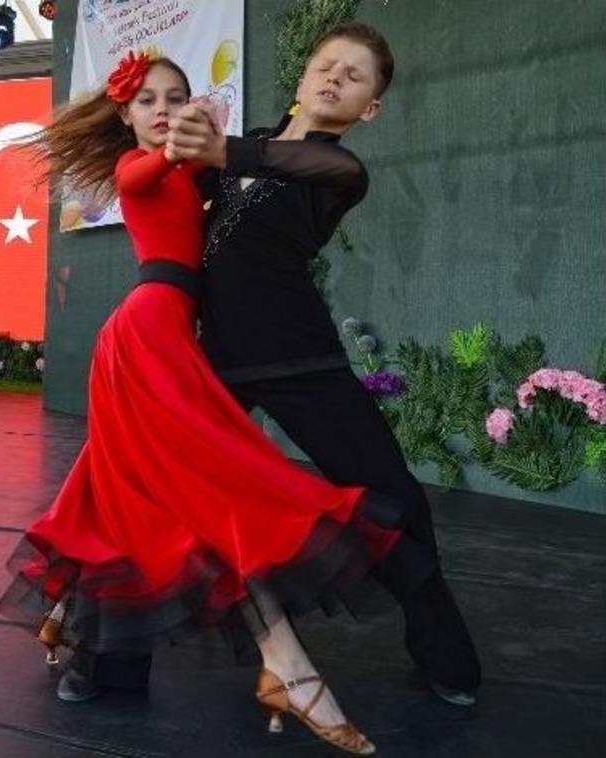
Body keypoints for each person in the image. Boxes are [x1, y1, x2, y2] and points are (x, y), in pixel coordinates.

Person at [0, 52, 438, 756]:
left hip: (175, 337)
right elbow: (146, 171)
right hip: (147, 337)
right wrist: (182, 143)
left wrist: (216, 148)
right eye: (147, 101)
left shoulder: (206, 169)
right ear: (125, 116)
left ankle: (74, 616)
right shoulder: (139, 168)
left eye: (176, 96)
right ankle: (287, 667)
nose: (165, 109)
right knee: (215, 486)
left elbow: (270, 174)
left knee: (139, 491)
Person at [165, 22, 481, 705]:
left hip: (300, 360)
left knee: (396, 501)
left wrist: (224, 147)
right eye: (326, 65)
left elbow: (306, 164)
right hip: (216, 361)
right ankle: (106, 658)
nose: (335, 76)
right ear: (303, 78)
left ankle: (446, 657)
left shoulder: (338, 170)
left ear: (369, 108)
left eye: (355, 75)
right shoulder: (240, 146)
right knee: (148, 485)